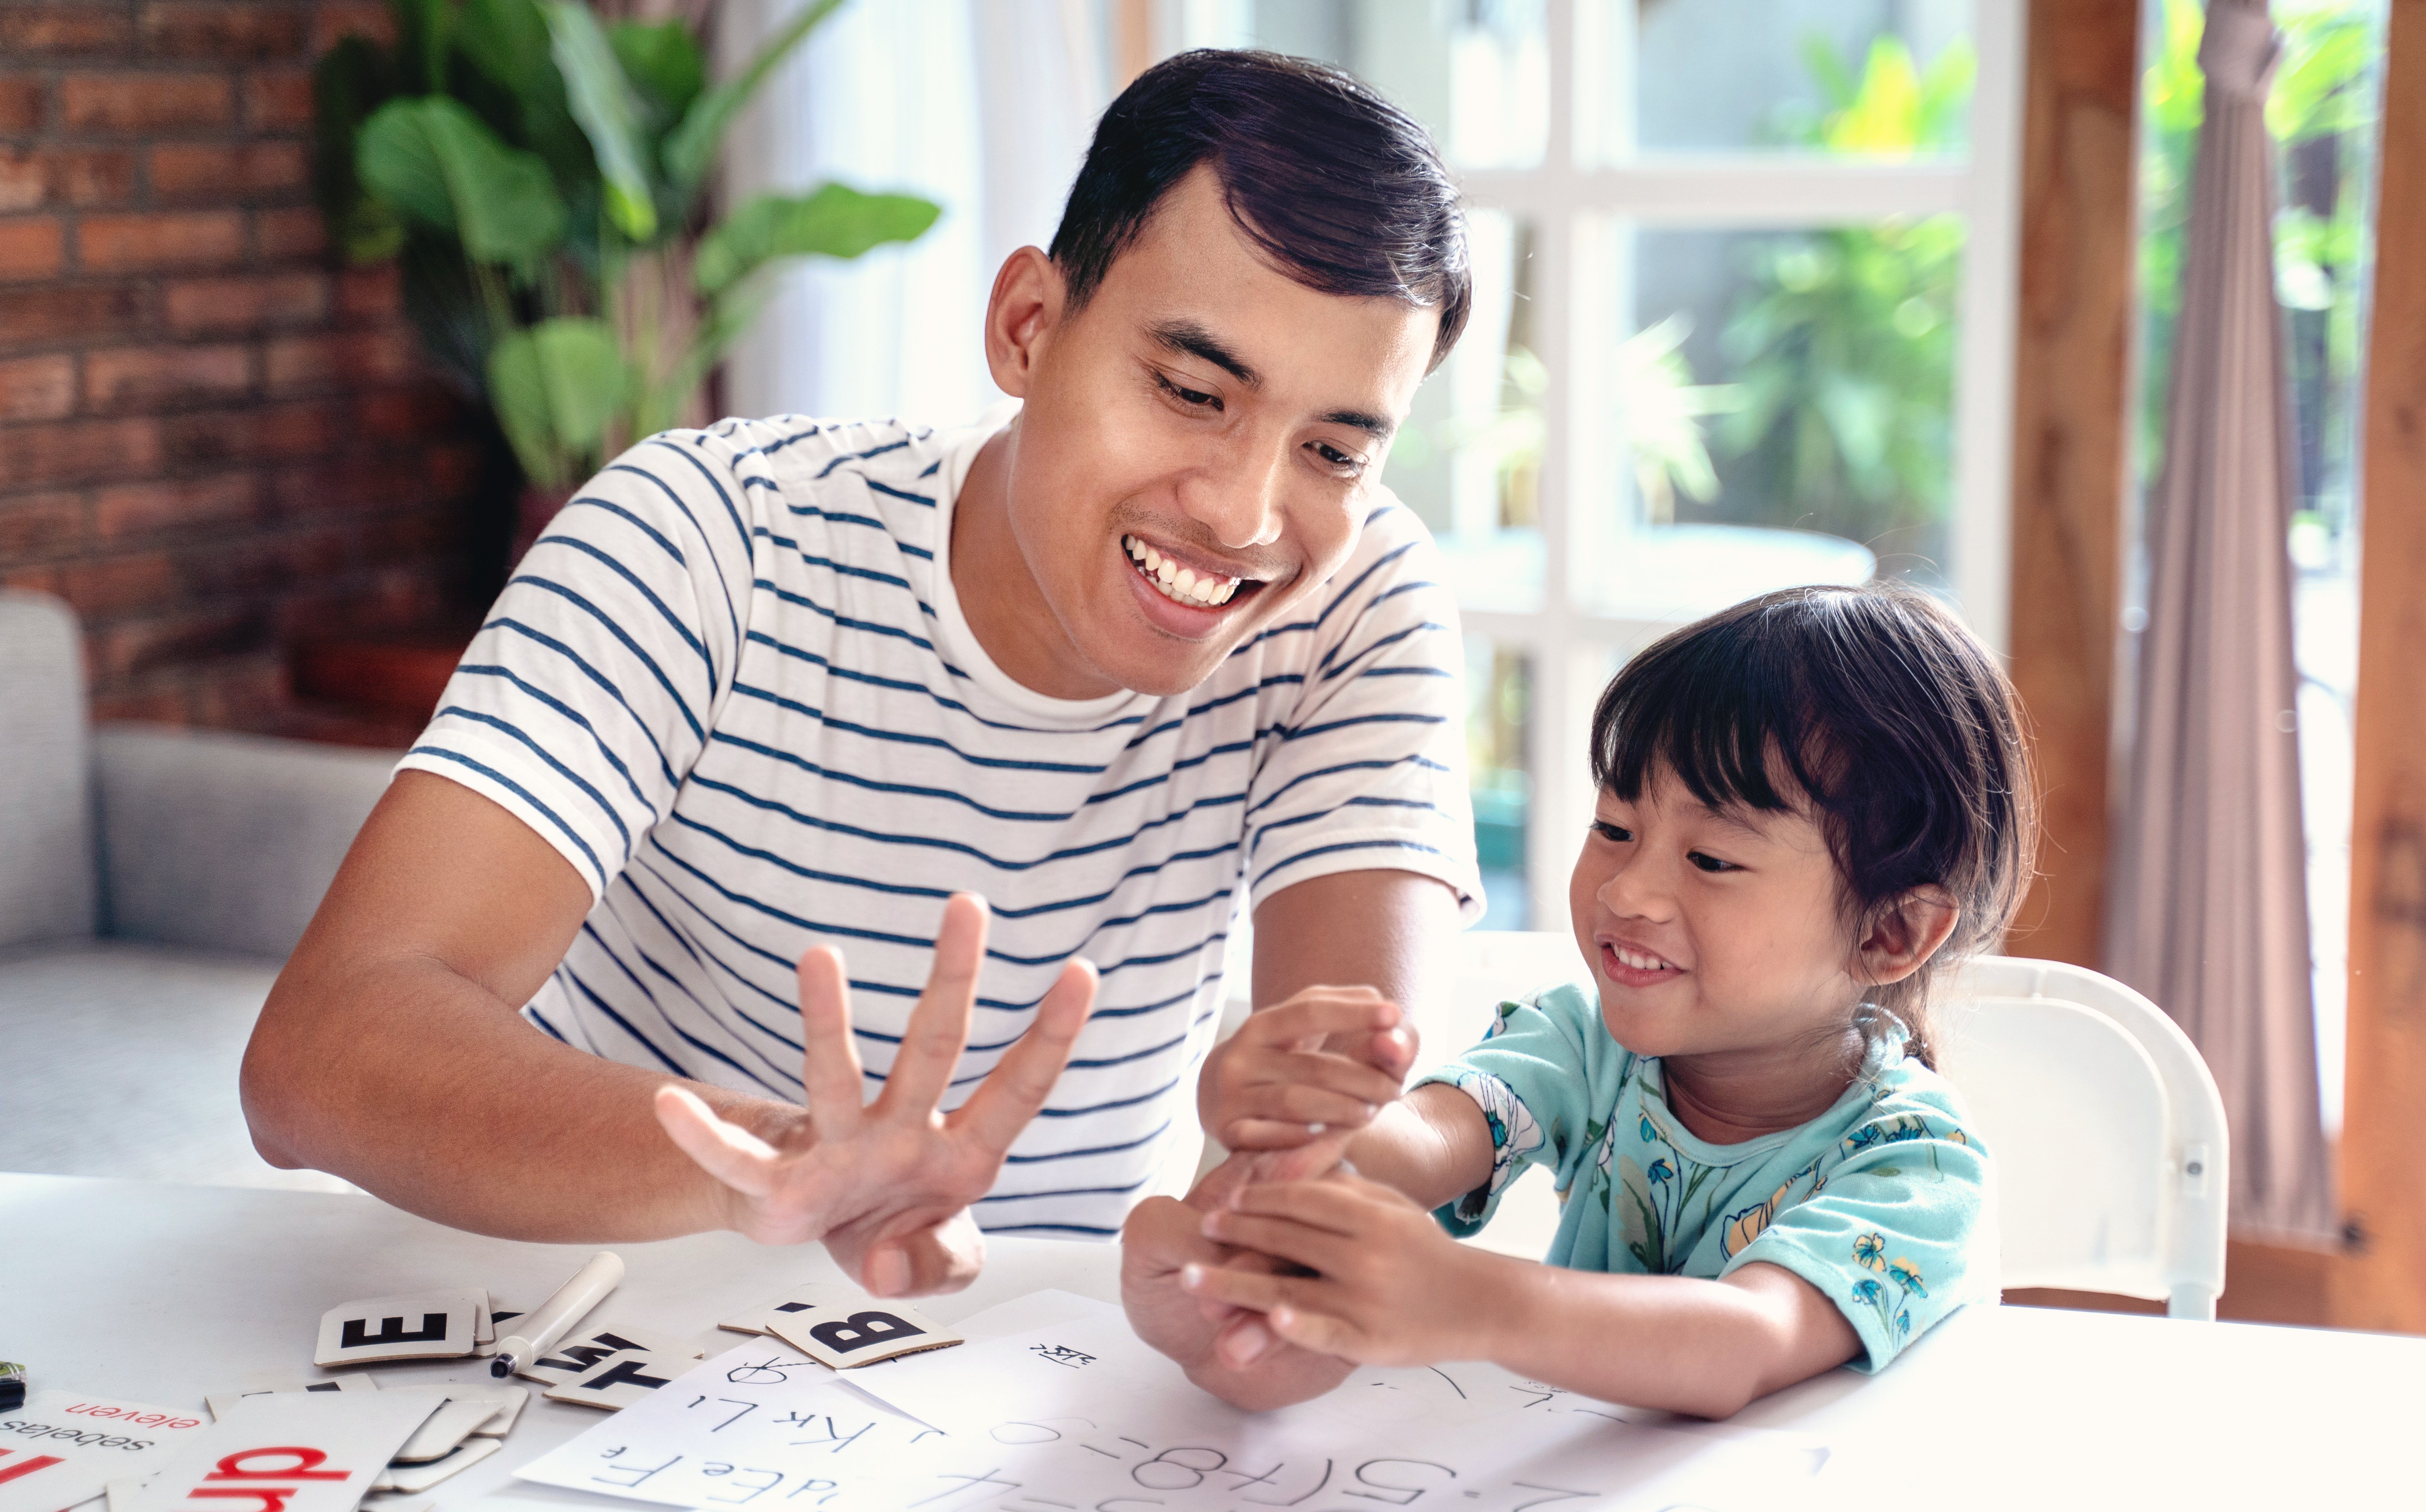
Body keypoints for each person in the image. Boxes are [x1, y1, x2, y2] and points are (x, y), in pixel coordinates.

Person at [241, 50, 1479, 1297]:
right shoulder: (708, 537)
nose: (1244, 514)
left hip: (1019, 1396)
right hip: (601, 1321)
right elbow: (323, 1052)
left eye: (1331, 449)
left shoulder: (1355, 606)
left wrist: (1280, 1216)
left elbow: (1335, 1131)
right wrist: (772, 1167)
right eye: (1192, 390)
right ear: (1028, 328)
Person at [1124, 583, 2037, 1418]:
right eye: (1614, 827)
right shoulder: (1585, 1041)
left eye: (1711, 858)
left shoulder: (1920, 1166)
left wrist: (1475, 1300)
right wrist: (1301, 1112)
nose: (1628, 891)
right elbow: (1422, 1141)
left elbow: (1744, 1341)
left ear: (1889, 934)